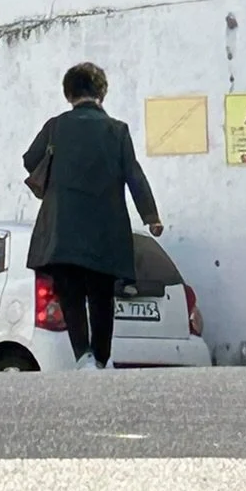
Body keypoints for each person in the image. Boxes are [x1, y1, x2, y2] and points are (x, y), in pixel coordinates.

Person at [24, 61, 162, 372]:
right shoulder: (117, 130)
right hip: (105, 228)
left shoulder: (55, 127)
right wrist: (151, 215)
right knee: (102, 294)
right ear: (101, 93)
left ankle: (83, 355)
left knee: (71, 292)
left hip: (63, 228)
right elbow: (134, 176)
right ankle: (102, 357)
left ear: (68, 93)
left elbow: (30, 160)